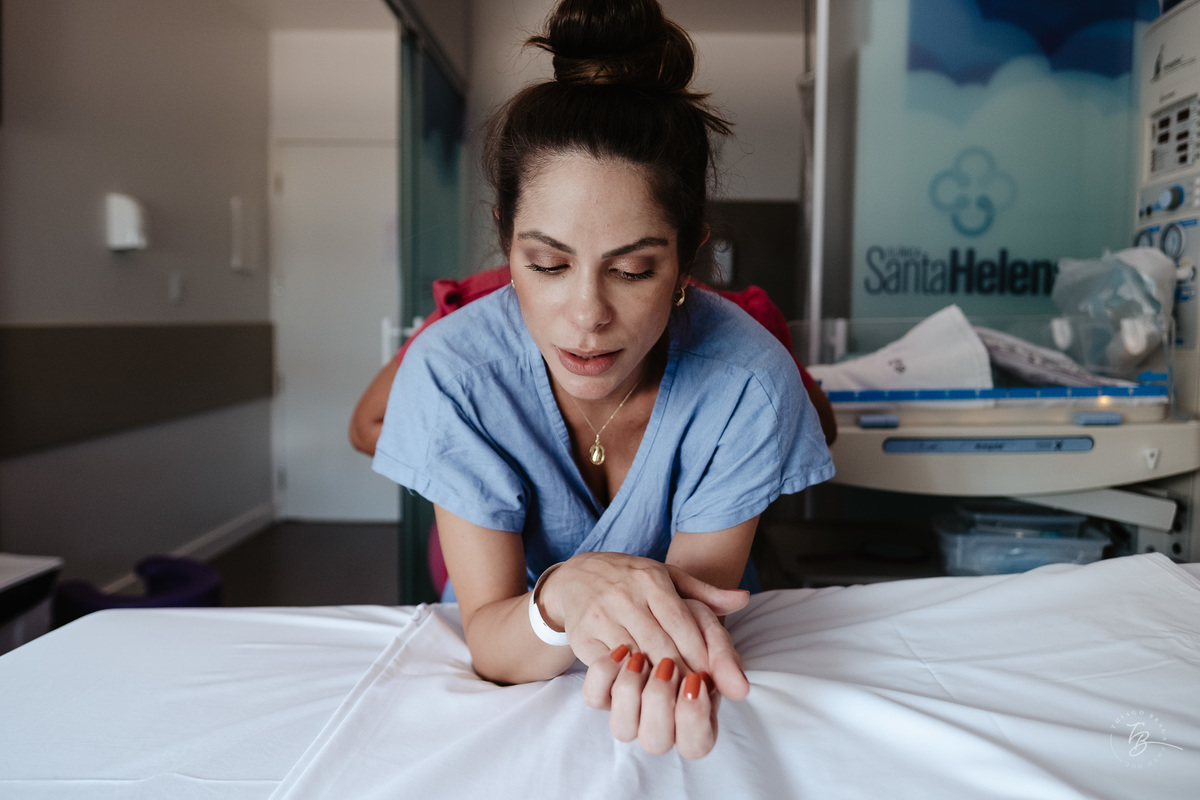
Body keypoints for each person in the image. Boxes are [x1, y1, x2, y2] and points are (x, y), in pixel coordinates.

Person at [371, 0, 835, 759]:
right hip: (521, 658)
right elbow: (491, 640)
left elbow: (678, 623)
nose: (586, 315)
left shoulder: (747, 383)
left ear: (687, 260)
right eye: (547, 264)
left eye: (633, 270)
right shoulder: (454, 373)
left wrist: (648, 656)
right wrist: (560, 596)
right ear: (505, 239)